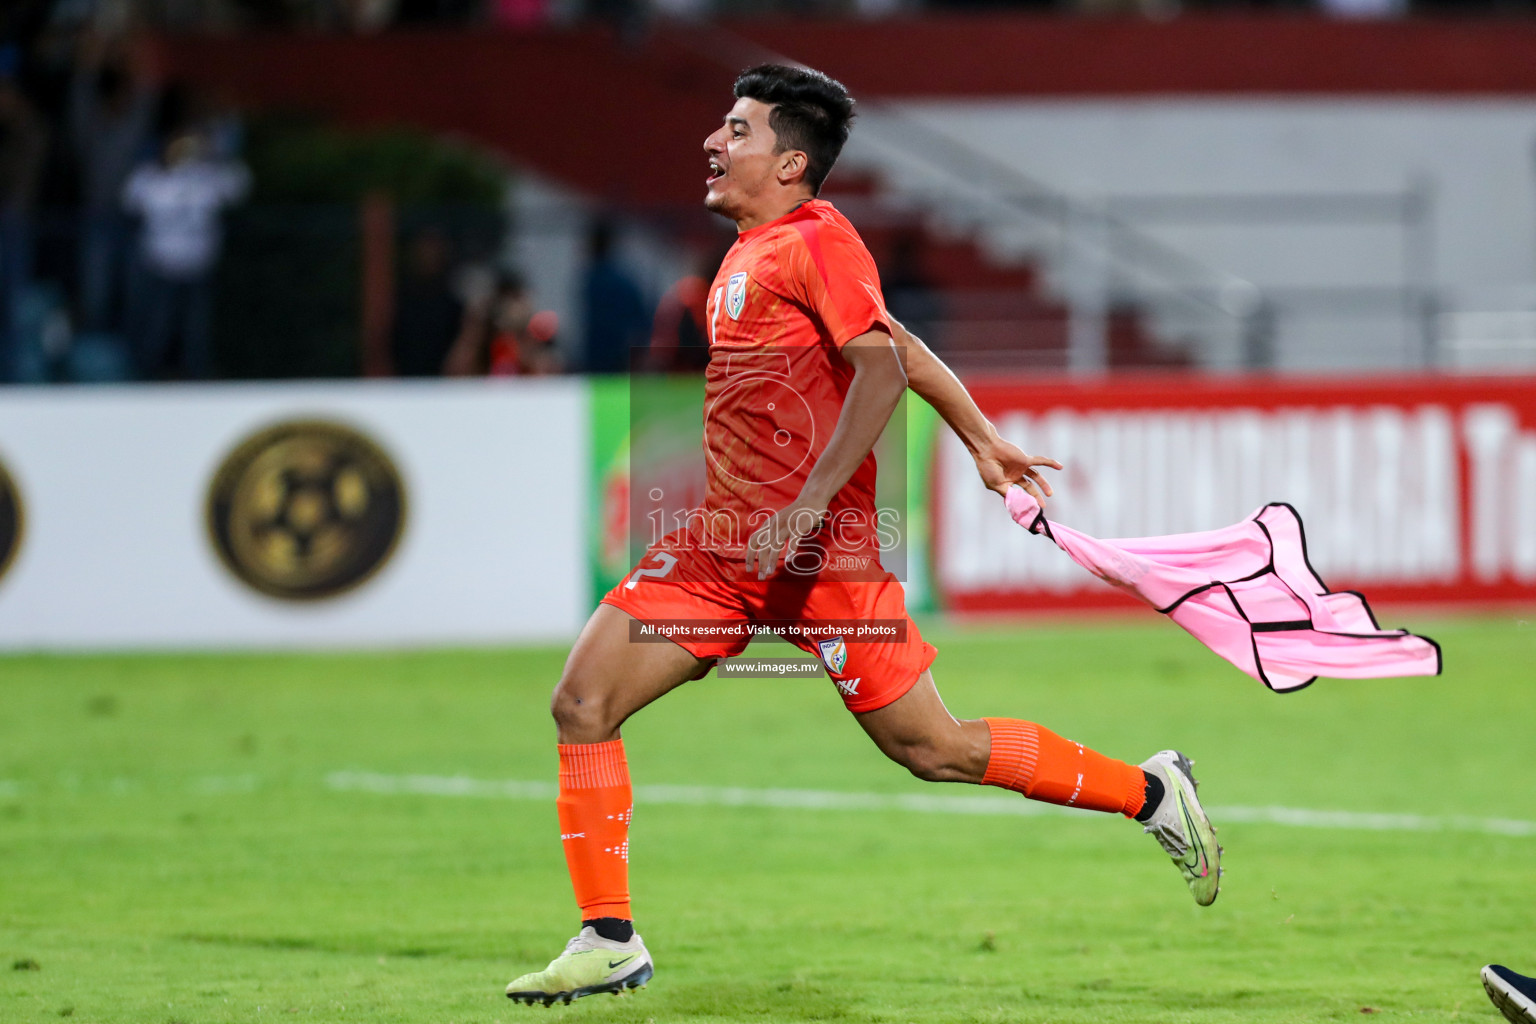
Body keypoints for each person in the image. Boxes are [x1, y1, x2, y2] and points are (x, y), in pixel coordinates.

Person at [504, 64, 1222, 1007]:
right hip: (724, 552)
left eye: (738, 129)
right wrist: (982, 434)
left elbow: (879, 371)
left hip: (822, 558)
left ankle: (1151, 793)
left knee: (935, 750)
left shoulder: (816, 239)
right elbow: (903, 345)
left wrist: (806, 507)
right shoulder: (749, 253)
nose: (715, 143)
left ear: (791, 161)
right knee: (582, 702)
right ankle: (608, 937)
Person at [122, 128, 249, 379]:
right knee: (156, 326)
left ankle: (197, 376)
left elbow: (240, 186)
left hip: (197, 267)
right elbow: (128, 198)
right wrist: (155, 163)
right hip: (160, 266)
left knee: (196, 330)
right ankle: (145, 377)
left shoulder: (205, 177)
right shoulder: (153, 179)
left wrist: (215, 155)